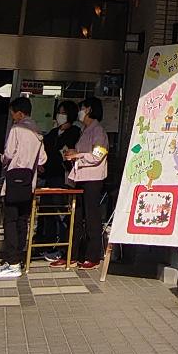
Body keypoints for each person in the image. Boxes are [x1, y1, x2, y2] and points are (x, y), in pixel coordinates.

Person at [0, 98, 46, 280]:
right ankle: (18, 258)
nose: (12, 117)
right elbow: (43, 159)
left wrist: (3, 159)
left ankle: (12, 262)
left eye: (13, 113)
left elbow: (9, 153)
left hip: (14, 181)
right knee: (22, 220)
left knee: (10, 221)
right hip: (29, 182)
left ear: (20, 113)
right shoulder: (37, 132)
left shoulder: (17, 128)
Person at [65, 97, 112, 270]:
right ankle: (73, 254)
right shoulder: (85, 130)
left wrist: (78, 155)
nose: (80, 112)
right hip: (81, 177)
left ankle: (93, 256)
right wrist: (74, 154)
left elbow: (98, 155)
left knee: (92, 217)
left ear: (89, 110)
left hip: (93, 179)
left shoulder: (98, 131)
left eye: (82, 108)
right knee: (77, 217)